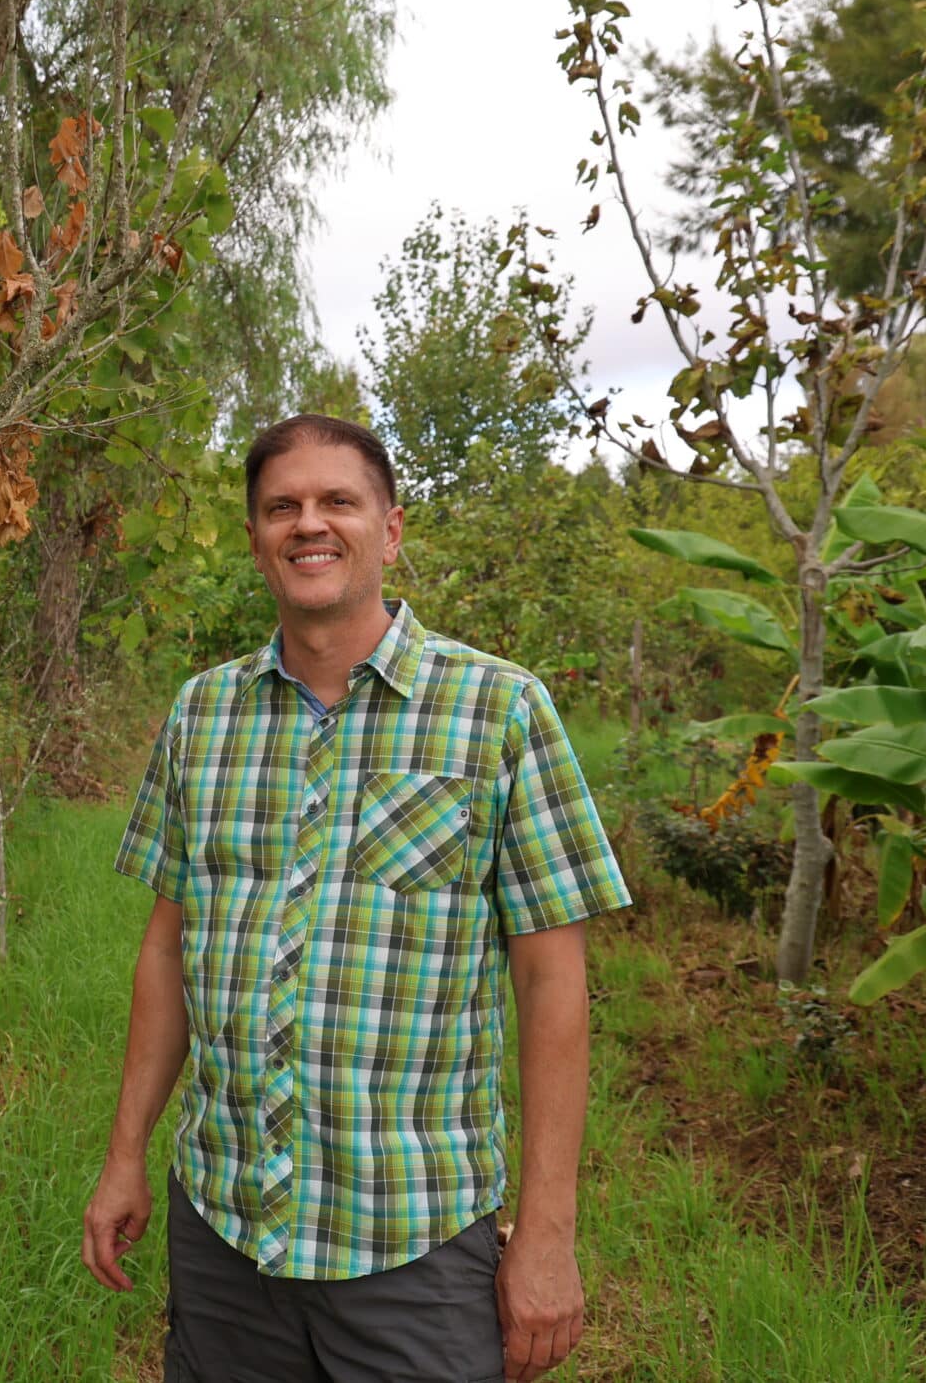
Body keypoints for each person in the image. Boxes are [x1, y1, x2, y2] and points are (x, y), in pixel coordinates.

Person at [81, 414, 631, 1383]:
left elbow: (552, 986)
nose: (309, 524)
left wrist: (546, 1232)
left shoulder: (498, 712)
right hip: (225, 1234)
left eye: (337, 501)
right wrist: (126, 1155)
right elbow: (167, 950)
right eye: (281, 507)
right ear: (254, 537)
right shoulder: (201, 717)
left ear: (390, 529)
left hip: (411, 1242)